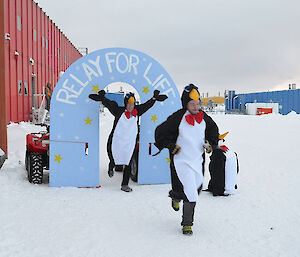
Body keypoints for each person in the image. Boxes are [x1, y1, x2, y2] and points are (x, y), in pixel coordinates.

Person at [154, 84, 219, 235]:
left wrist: (210, 144)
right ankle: (187, 224)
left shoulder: (205, 118)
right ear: (186, 104)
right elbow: (160, 132)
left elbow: (213, 131)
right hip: (181, 160)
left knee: (195, 188)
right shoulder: (177, 117)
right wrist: (170, 146)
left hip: (197, 160)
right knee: (190, 190)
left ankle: (176, 196)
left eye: (198, 104)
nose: (196, 107)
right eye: (192, 104)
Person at [89, 89, 167, 192]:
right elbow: (109, 104)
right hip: (117, 139)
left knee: (128, 161)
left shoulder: (137, 111)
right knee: (113, 154)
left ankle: (124, 184)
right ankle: (111, 165)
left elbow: (146, 106)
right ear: (125, 104)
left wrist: (153, 99)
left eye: (132, 104)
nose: (131, 106)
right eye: (129, 104)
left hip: (129, 142)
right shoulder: (118, 110)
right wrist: (103, 98)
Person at [204, 132, 239, 196]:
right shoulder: (229, 151)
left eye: (206, 142)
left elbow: (217, 174)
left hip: (223, 189)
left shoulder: (218, 154)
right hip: (230, 186)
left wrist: (216, 190)